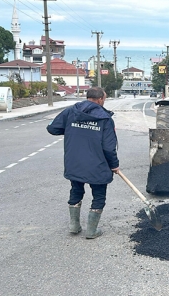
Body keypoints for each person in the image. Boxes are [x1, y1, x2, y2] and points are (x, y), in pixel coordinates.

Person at [46, 87, 119, 239]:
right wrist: (114, 165)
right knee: (98, 195)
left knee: (76, 190)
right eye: (104, 99)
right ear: (100, 100)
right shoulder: (105, 119)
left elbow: (53, 128)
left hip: (75, 161)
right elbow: (108, 147)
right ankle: (91, 231)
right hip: (97, 164)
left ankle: (74, 226)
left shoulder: (71, 112)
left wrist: (73, 129)